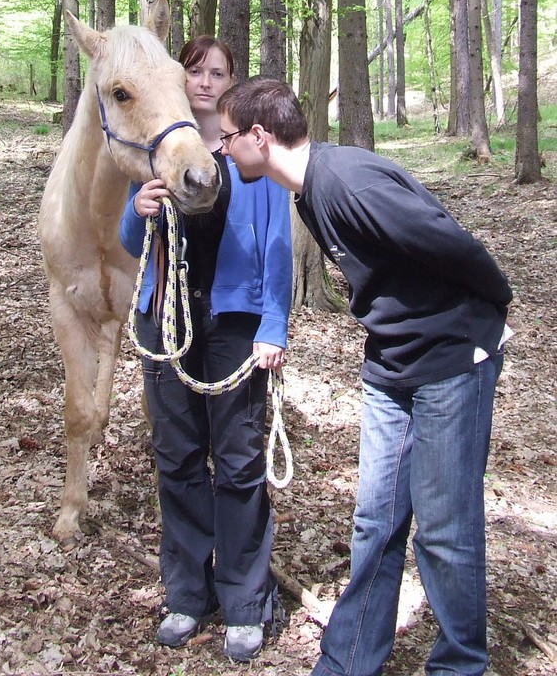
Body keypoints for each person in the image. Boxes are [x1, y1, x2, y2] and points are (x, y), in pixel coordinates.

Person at [217, 76, 513, 676]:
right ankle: (349, 661)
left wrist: (492, 310)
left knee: (444, 531)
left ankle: (459, 665)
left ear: (258, 136)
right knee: (375, 523)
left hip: (452, 360)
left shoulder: (347, 182)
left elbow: (451, 243)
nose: (221, 150)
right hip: (390, 364)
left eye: (226, 138)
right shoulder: (307, 191)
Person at [119, 43, 292, 662]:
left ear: (230, 83)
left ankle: (245, 600)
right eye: (195, 71)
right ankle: (188, 594)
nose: (205, 82)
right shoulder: (160, 143)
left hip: (234, 324)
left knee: (240, 460)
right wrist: (138, 209)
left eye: (217, 73)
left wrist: (274, 325)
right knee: (178, 457)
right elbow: (130, 239)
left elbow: (277, 243)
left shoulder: (249, 150)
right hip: (166, 318)